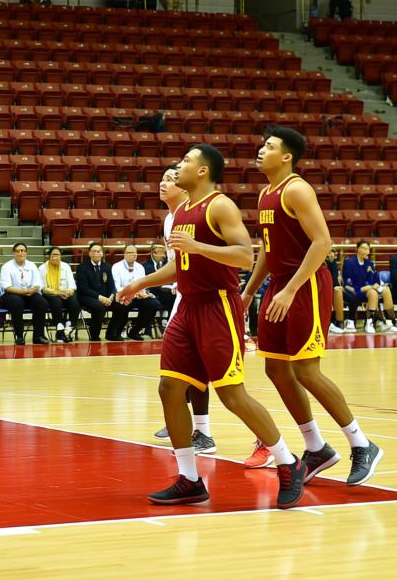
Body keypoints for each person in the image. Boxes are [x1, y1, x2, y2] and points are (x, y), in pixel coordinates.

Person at [117, 144, 305, 508]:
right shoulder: (183, 210)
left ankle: (287, 461)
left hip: (218, 306)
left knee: (231, 394)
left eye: (186, 161)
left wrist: (199, 246)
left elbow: (245, 256)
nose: (179, 166)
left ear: (203, 171)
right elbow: (181, 264)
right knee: (169, 388)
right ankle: (189, 478)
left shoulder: (220, 205)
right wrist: (141, 282)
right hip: (188, 305)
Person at [243, 126, 384, 486]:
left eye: (269, 146)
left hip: (304, 284)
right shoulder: (264, 193)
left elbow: (323, 243)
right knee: (275, 368)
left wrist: (290, 289)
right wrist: (248, 293)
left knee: (306, 369)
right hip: (280, 284)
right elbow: (266, 250)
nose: (261, 150)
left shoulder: (297, 189)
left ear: (286, 156)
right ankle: (316, 447)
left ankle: (362, 443)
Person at [150, 165, 216, 455]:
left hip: (208, 299)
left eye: (170, 179)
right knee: (181, 366)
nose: (163, 183)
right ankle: (185, 421)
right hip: (186, 296)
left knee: (210, 374)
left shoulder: (196, 214)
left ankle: (202, 430)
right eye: (161, 178)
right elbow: (176, 266)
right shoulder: (169, 219)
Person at [0, 242, 50, 345]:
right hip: (12, 295)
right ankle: (19, 336)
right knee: (17, 302)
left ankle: (38, 336)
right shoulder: (7, 266)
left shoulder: (32, 265)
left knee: (42, 303)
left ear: (26, 253)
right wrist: (22, 292)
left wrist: (32, 290)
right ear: (14, 253)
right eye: (18, 251)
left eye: (23, 251)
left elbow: (38, 283)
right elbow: (6, 287)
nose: (20, 253)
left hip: (29, 293)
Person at [75, 242, 129, 342]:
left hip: (106, 297)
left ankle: (111, 333)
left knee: (121, 305)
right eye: (94, 251)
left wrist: (112, 296)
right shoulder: (82, 267)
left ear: (102, 254)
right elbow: (83, 288)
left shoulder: (107, 267)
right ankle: (94, 335)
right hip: (87, 297)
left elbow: (112, 285)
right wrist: (100, 297)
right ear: (90, 253)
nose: (96, 253)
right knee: (99, 307)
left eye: (99, 251)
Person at [342, 241, 397, 333]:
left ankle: (388, 322)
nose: (366, 251)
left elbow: (375, 278)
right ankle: (369, 322)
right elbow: (347, 281)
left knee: (386, 290)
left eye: (367, 249)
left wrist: (375, 285)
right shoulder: (349, 262)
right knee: (373, 292)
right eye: (363, 248)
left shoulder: (369, 263)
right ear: (358, 249)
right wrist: (364, 288)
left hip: (369, 288)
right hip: (356, 290)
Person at [111, 244, 161, 340]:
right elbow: (117, 287)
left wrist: (143, 293)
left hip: (138, 296)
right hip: (123, 296)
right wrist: (132, 293)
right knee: (123, 304)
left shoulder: (140, 267)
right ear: (124, 254)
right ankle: (116, 332)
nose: (132, 255)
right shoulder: (116, 267)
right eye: (129, 253)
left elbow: (143, 284)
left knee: (153, 304)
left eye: (134, 253)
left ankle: (135, 331)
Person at [35, 246, 79, 342]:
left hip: (66, 293)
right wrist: (58, 293)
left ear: (61, 256)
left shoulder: (65, 266)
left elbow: (72, 284)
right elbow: (42, 288)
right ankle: (60, 330)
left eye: (58, 255)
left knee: (75, 302)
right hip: (51, 294)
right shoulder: (42, 268)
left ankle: (70, 327)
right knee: (56, 302)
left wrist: (70, 291)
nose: (56, 257)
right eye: (53, 255)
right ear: (49, 256)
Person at [324, 247, 349, 334]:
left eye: (333, 252)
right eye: (331, 251)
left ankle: (340, 322)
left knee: (350, 297)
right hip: (320, 288)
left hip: (332, 288)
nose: (333, 254)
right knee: (337, 292)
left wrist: (338, 286)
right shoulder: (319, 261)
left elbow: (334, 279)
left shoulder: (332, 263)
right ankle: (330, 323)